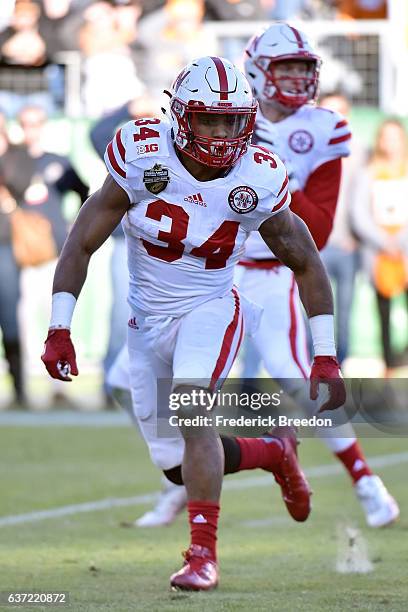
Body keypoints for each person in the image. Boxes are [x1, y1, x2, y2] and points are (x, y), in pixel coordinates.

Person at [42, 56, 345, 591]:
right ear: (182, 116)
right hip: (145, 318)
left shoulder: (258, 170)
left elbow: (305, 260)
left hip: (210, 306)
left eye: (233, 119)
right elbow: (82, 238)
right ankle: (273, 450)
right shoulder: (141, 151)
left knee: (191, 408)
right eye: (210, 119)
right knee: (175, 466)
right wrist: (60, 326)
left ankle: (202, 555)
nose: (224, 132)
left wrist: (324, 353)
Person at [239, 23, 399, 527]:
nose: (295, 79)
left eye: (302, 68)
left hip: (267, 274)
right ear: (257, 71)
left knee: (299, 378)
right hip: (206, 273)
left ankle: (365, 481)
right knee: (158, 382)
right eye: (284, 67)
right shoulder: (223, 117)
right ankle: (176, 486)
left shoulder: (323, 130)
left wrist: (274, 165)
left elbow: (321, 229)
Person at [0, 104, 88, 406]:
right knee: (21, 320)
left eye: (36, 123)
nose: (31, 129)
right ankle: (22, 386)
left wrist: (73, 224)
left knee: (55, 319)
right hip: (20, 251)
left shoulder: (56, 162)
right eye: (25, 123)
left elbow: (84, 191)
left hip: (51, 251)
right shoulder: (13, 158)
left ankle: (58, 386)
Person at [350, 118, 408, 372]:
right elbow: (358, 212)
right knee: (383, 313)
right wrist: (384, 241)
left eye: (395, 137)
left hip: (404, 250)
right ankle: (389, 367)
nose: (390, 143)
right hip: (379, 254)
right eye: (386, 137)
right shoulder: (368, 172)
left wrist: (400, 240)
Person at [319, 91, 366, 365]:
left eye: (339, 111)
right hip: (315, 246)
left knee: (345, 312)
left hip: (347, 246)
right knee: (310, 313)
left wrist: (357, 236)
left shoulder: (359, 151)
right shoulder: (307, 149)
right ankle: (310, 371)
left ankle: (341, 368)